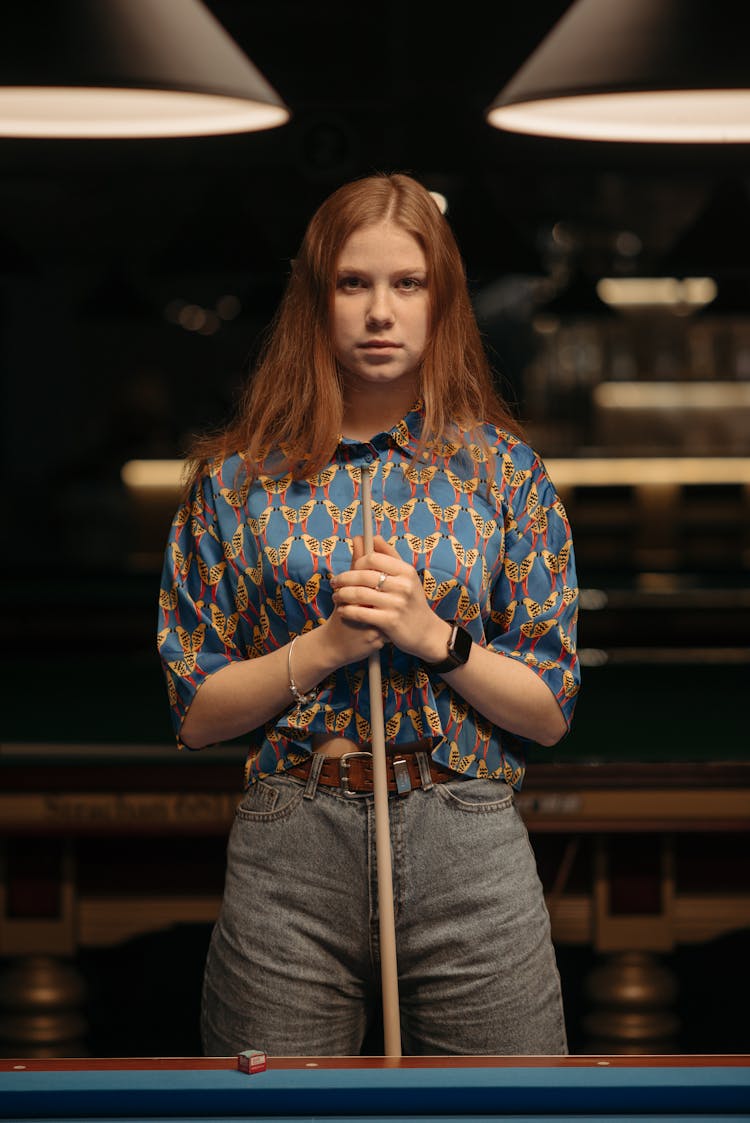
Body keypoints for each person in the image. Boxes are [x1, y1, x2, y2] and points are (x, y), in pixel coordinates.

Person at [157, 172, 580, 1057]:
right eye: (354, 284)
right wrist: (326, 645)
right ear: (317, 301)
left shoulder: (505, 475)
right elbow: (196, 714)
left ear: (443, 302)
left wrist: (432, 637)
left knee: (512, 1122)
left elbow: (547, 711)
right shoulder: (234, 484)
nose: (380, 311)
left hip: (466, 833)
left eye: (407, 283)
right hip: (291, 845)